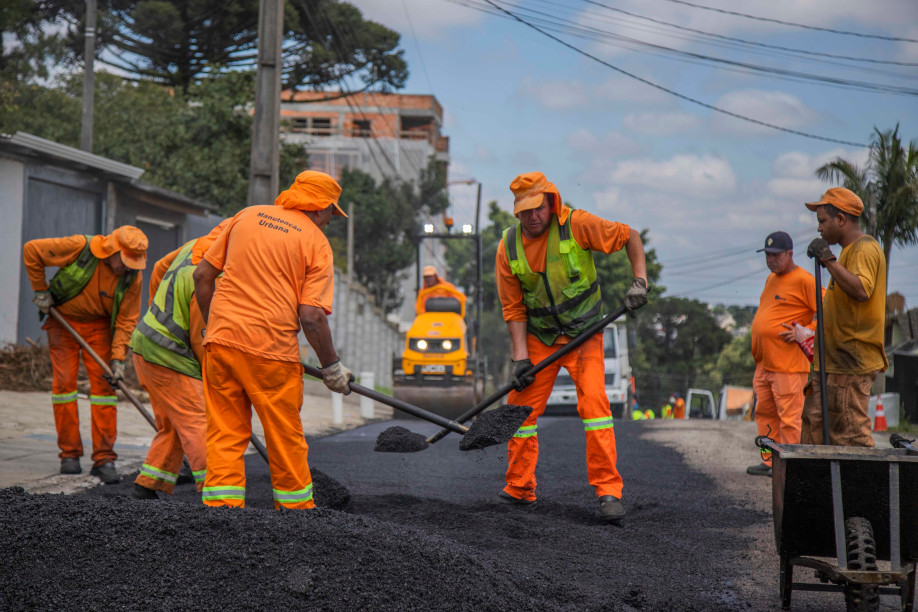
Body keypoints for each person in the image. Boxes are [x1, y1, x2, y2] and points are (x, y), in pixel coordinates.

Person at [193, 170, 353, 510]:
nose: (328, 223)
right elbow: (311, 316)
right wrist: (332, 367)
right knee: (284, 437)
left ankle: (221, 515)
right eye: (330, 215)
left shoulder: (246, 216)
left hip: (220, 344)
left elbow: (202, 275)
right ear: (320, 208)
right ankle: (296, 515)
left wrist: (213, 327)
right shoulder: (315, 242)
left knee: (224, 433)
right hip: (271, 353)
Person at [495, 171, 648, 522]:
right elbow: (513, 307)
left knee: (595, 408)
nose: (532, 217)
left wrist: (639, 280)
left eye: (538, 208)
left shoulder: (576, 225)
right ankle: (519, 487)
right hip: (541, 338)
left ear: (551, 203)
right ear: (516, 212)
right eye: (525, 211)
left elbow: (630, 236)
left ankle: (608, 491)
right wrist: (520, 358)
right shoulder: (509, 246)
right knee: (519, 411)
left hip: (584, 335)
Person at [22, 226, 148, 483]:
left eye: (133, 263)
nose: (127, 267)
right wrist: (40, 290)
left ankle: (104, 460)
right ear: (110, 250)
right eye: (124, 261)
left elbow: (126, 320)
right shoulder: (79, 247)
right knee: (64, 386)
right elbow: (32, 250)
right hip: (62, 321)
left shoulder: (132, 277)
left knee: (105, 390)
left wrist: (117, 360)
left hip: (99, 328)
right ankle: (69, 455)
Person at [128, 219, 230, 500]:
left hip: (148, 344)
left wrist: (157, 309)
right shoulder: (211, 279)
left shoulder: (194, 247)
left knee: (174, 424)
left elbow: (160, 267)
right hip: (167, 354)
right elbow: (203, 341)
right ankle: (216, 491)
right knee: (200, 420)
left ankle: (148, 484)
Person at [801, 188, 887, 446]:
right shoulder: (848, 252)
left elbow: (861, 290)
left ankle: (857, 488)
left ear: (841, 219)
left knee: (850, 437)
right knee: (814, 431)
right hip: (831, 363)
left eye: (822, 221)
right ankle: (820, 487)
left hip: (850, 365)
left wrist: (827, 259)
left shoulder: (864, 249)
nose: (819, 229)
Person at [747, 231, 820, 476]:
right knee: (765, 414)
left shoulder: (805, 280)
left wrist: (805, 331)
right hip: (765, 364)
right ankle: (769, 461)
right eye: (768, 255)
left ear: (790, 254)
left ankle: (790, 465)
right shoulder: (771, 279)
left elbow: (828, 311)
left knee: (789, 418)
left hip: (788, 366)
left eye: (776, 255)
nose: (770, 260)